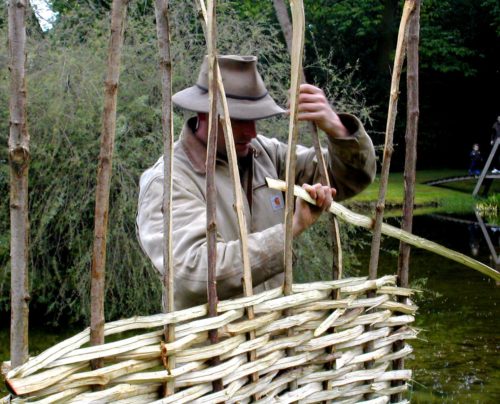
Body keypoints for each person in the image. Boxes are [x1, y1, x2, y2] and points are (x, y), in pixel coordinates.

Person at [136, 55, 376, 310]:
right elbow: (194, 274)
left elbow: (348, 178)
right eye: (239, 120)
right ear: (203, 113)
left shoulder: (264, 154)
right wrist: (290, 229)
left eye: (255, 118)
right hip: (213, 345)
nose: (251, 132)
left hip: (271, 340)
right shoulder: (168, 181)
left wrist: (339, 131)